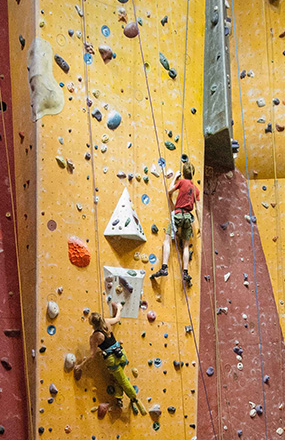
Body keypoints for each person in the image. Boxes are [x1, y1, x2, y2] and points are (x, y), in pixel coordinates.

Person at [80, 304, 142, 414]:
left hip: (112, 361)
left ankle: (134, 398)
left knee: (122, 380)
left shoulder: (94, 337)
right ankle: (119, 399)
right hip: (121, 354)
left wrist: (80, 365)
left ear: (92, 324)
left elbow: (92, 356)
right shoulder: (107, 322)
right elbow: (118, 318)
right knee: (118, 378)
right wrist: (119, 308)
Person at [151, 160, 200, 289]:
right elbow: (198, 209)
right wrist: (200, 225)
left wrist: (175, 177)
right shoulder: (196, 189)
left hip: (178, 214)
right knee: (185, 245)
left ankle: (164, 267)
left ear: (183, 173)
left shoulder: (182, 182)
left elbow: (169, 191)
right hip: (189, 217)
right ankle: (185, 272)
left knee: (167, 241)